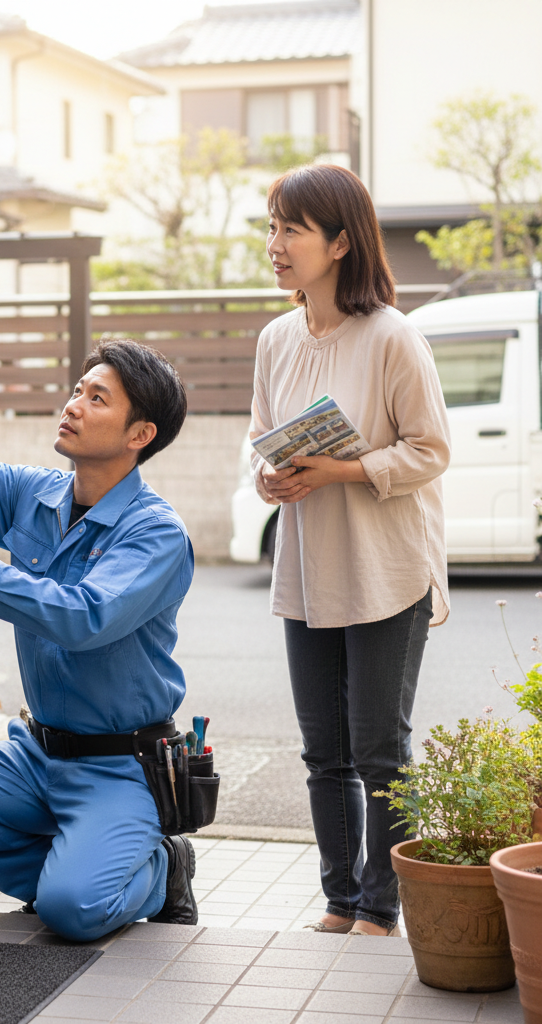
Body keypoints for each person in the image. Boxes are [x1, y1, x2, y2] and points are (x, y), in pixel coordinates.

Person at [0, 336, 196, 942]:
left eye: (98, 398)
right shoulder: (36, 494)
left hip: (120, 767)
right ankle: (74, 870)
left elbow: (83, 619)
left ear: (140, 434)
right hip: (36, 754)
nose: (75, 404)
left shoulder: (156, 534)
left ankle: (162, 868)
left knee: (72, 914)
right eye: (78, 390)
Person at [251, 164, 450, 936]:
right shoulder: (275, 339)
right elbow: (261, 436)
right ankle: (339, 897)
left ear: (340, 242)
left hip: (386, 570)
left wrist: (343, 469)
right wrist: (270, 478)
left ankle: (381, 904)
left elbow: (431, 450)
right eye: (271, 227)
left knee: (379, 749)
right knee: (322, 749)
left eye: (289, 229)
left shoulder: (394, 337)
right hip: (307, 569)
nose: (275, 245)